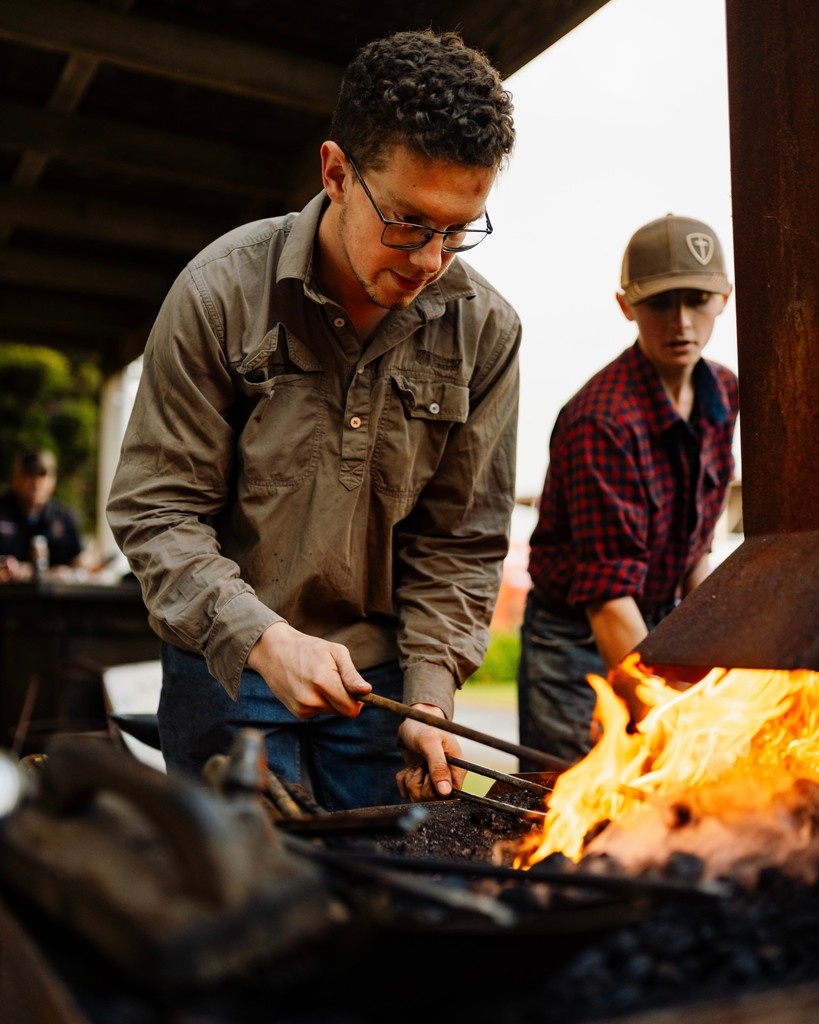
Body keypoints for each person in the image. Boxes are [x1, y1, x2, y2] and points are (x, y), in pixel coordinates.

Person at [106, 29, 520, 810]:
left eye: (457, 229)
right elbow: (158, 511)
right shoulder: (218, 294)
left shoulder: (486, 332)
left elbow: (458, 540)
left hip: (382, 690)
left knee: (381, 912)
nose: (432, 259)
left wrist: (430, 695)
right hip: (223, 667)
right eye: (407, 222)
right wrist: (262, 640)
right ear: (336, 172)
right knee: (250, 918)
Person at [518, 213, 738, 768]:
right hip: (578, 641)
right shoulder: (602, 420)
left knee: (668, 805)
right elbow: (609, 600)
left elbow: (698, 552)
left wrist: (715, 664)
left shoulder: (723, 393)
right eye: (661, 303)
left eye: (697, 299)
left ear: (724, 299)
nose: (681, 321)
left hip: (663, 617)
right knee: (565, 805)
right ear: (626, 306)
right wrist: (665, 712)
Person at [0, 448, 86, 583]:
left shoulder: (64, 517)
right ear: (15, 477)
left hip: (55, 599)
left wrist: (63, 573)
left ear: (54, 479)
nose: (36, 482)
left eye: (43, 475)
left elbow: (80, 564)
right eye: (29, 474)